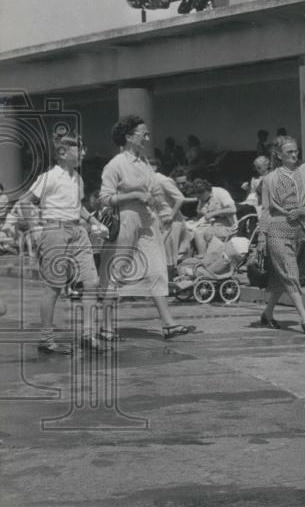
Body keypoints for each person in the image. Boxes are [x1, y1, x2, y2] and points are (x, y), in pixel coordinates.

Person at [98, 115, 196, 340]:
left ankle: (168, 323)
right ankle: (106, 327)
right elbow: (104, 199)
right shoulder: (116, 165)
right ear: (129, 137)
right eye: (144, 134)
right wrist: (133, 194)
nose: (148, 138)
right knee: (116, 270)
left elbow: (156, 192)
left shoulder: (144, 162)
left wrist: (165, 215)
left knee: (157, 267)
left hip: (148, 219)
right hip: (126, 218)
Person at [19, 132, 108, 353]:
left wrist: (93, 219)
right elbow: (24, 202)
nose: (83, 153)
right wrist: (34, 230)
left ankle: (88, 334)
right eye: (79, 148)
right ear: (62, 152)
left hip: (78, 231)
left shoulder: (78, 177)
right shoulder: (49, 177)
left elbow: (78, 205)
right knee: (53, 287)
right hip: (55, 230)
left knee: (92, 282)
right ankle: (46, 339)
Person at [258, 135, 305, 333]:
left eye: (295, 151)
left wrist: (302, 211)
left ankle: (267, 314)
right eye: (289, 152)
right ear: (278, 155)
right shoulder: (269, 179)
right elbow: (266, 209)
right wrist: (260, 237)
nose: (294, 155)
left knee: (280, 277)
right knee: (291, 273)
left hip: (298, 231)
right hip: (277, 230)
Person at [150, 157, 187, 278]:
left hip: (172, 221)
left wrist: (171, 216)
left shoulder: (163, 180)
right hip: (161, 221)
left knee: (170, 255)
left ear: (154, 167)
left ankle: (171, 284)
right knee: (163, 253)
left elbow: (180, 198)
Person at [190, 178, 237, 256]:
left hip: (227, 226)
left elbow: (233, 209)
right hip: (211, 225)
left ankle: (202, 257)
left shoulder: (220, 193)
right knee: (189, 232)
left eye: (199, 197)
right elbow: (200, 213)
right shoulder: (203, 198)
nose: (199, 199)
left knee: (199, 233)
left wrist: (213, 213)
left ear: (205, 192)